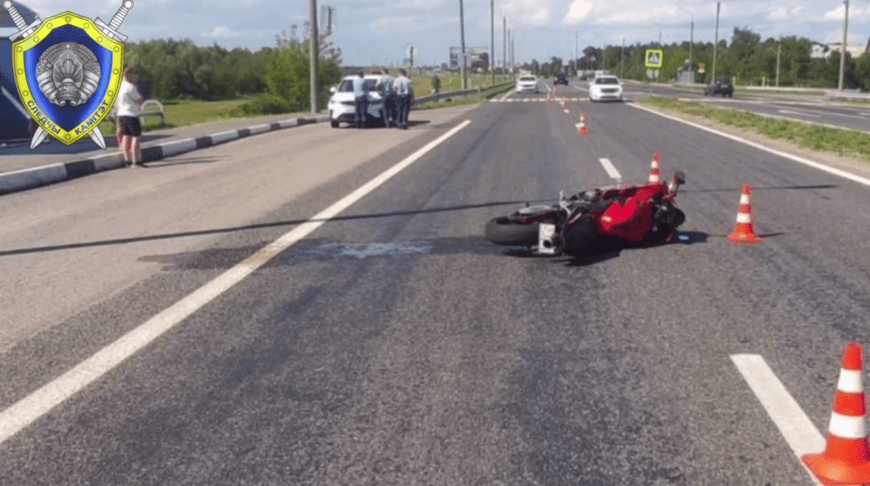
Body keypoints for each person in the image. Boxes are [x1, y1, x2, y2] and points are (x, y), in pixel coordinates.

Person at [115, 67, 145, 167]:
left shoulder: (119, 87)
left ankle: (127, 160)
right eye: (133, 74)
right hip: (131, 114)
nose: (135, 77)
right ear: (128, 75)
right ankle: (135, 161)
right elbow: (139, 100)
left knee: (126, 136)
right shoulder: (130, 87)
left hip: (121, 114)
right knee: (136, 137)